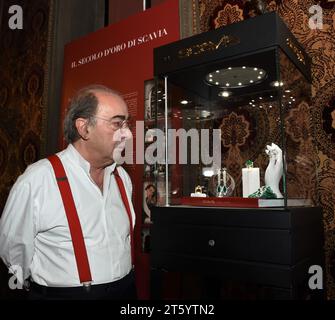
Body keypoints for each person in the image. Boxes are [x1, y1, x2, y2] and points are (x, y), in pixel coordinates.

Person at [0, 85, 136, 300]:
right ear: (84, 128)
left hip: (126, 291)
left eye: (127, 124)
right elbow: (14, 252)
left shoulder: (122, 178)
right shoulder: (38, 180)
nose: (127, 133)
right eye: (117, 123)